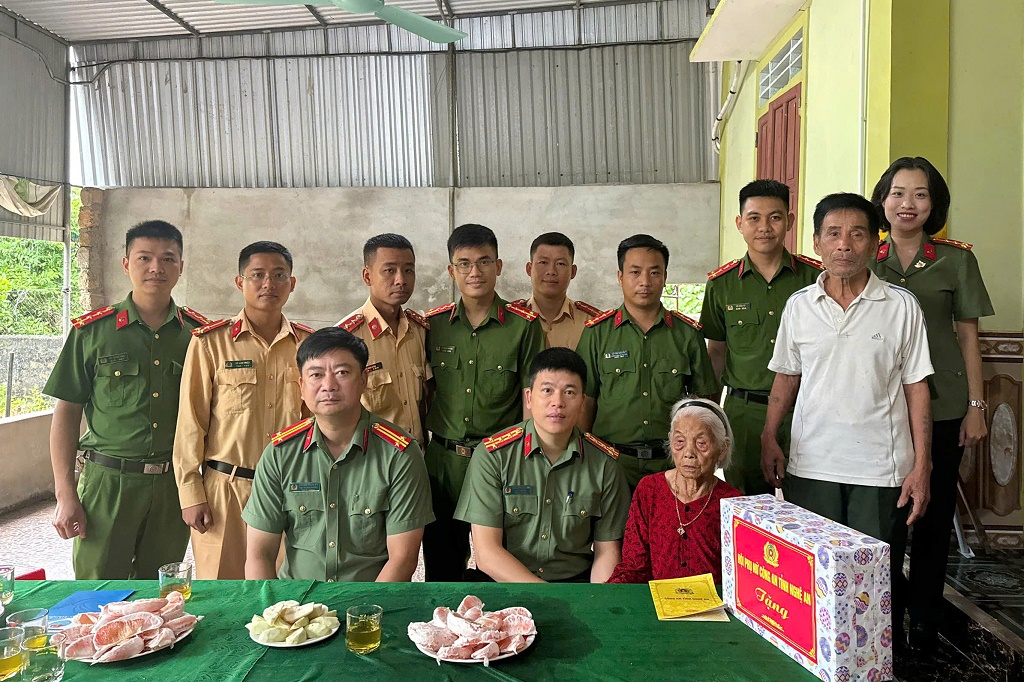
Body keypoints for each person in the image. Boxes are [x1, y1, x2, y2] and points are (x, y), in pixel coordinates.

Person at [761, 192, 934, 641]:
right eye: (833, 233)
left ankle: (876, 665)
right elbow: (786, 377)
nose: (844, 244)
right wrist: (769, 436)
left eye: (857, 234)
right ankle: (812, 660)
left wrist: (922, 465)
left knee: (873, 582)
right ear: (816, 242)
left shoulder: (900, 306)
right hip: (811, 467)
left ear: (875, 243)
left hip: (880, 471)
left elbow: (917, 389)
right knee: (810, 578)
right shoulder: (800, 305)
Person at [870, 157, 994, 649]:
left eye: (919, 194)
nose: (908, 204)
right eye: (898, 193)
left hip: (942, 405)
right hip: (880, 407)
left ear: (933, 204)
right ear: (883, 201)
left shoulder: (956, 260)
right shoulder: (864, 255)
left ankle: (924, 618)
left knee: (934, 516)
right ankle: (885, 616)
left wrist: (977, 406)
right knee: (885, 518)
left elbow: (968, 337)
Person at [44, 220, 210, 579]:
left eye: (168, 259)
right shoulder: (92, 333)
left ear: (181, 266)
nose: (156, 268)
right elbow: (67, 413)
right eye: (144, 258)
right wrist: (65, 494)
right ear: (126, 264)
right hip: (108, 484)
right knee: (100, 591)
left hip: (172, 487)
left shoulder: (199, 335)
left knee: (161, 592)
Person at [242, 327, 433, 582]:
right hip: (297, 600)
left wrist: (366, 608)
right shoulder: (280, 454)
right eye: (316, 374)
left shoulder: (399, 454)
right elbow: (259, 556)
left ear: (364, 380)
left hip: (371, 598)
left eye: (342, 373)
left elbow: (403, 559)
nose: (329, 386)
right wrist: (275, 606)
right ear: (301, 387)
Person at [173, 241, 313, 580]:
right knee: (223, 590)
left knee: (288, 591)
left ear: (292, 283)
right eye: (257, 275)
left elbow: (316, 421)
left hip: (290, 489)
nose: (269, 284)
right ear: (240, 282)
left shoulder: (308, 346)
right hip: (225, 490)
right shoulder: (210, 343)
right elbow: (191, 423)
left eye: (279, 275)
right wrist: (190, 493)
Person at [421, 223, 545, 581]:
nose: (474, 272)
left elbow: (531, 400)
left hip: (498, 462)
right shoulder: (434, 325)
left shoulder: (524, 326)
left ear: (499, 266)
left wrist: (526, 463)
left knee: (502, 562)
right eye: (464, 263)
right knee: (442, 565)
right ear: (452, 271)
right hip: (443, 463)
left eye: (484, 261)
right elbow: (425, 390)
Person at [455, 347, 630, 583]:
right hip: (505, 582)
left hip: (575, 583)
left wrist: (596, 599)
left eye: (569, 392)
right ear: (529, 397)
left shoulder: (605, 464)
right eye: (547, 390)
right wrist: (545, 595)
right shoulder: (493, 456)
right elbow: (487, 553)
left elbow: (606, 552)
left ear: (582, 402)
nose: (557, 402)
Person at [699, 180, 821, 495]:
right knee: (746, 507)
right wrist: (709, 417)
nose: (764, 227)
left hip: (805, 410)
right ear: (740, 224)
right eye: (754, 218)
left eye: (775, 217)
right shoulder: (722, 285)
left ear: (790, 221)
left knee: (809, 505)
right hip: (744, 414)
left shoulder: (816, 280)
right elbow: (716, 353)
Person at [576, 234, 719, 490]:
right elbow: (585, 402)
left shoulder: (687, 334)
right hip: (611, 463)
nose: (645, 282)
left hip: (671, 465)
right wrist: (582, 458)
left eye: (654, 273)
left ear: (664, 277)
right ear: (620, 277)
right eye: (635, 272)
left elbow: (703, 403)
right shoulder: (597, 333)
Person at [607, 398, 742, 583]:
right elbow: (634, 567)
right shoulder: (650, 489)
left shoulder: (733, 503)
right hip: (656, 597)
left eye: (701, 443)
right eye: (680, 441)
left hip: (713, 600)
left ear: (722, 449)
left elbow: (741, 577)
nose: (689, 453)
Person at [336, 233, 431, 446]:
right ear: (367, 276)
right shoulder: (345, 338)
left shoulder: (419, 330)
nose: (401, 280)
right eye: (389, 270)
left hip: (417, 456)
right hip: (372, 459)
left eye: (408, 270)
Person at [511, 232, 603, 350]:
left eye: (560, 263)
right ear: (529, 269)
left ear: (573, 271)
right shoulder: (509, 320)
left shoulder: (594, 323)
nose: (551, 271)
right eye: (543, 262)